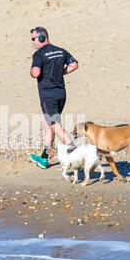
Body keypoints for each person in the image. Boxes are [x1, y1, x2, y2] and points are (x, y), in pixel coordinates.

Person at [29, 27, 79, 169]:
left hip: (48, 96)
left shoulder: (39, 54)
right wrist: (60, 73)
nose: (32, 42)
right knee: (48, 124)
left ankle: (75, 152)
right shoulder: (61, 51)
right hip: (61, 94)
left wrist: (33, 72)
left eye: (33, 39)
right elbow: (74, 64)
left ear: (42, 38)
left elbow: (36, 72)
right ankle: (44, 158)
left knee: (56, 127)